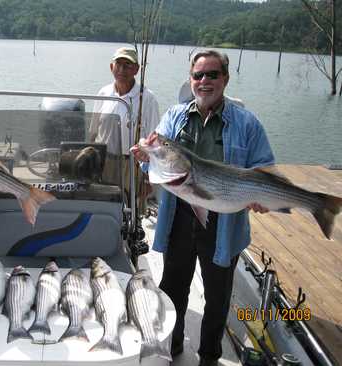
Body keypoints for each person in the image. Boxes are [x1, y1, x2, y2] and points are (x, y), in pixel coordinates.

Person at [131, 50, 274, 366]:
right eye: (198, 75)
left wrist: (260, 196)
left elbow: (265, 167)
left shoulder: (247, 123)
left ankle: (209, 356)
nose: (204, 81)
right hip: (179, 217)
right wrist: (146, 159)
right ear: (190, 80)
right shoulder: (174, 116)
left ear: (225, 78)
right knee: (173, 289)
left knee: (217, 297)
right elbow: (158, 165)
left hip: (225, 223)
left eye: (212, 74)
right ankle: (172, 346)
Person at [90, 46, 160, 203]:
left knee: (131, 210)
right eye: (118, 64)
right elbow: (93, 133)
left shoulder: (148, 98)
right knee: (104, 206)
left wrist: (148, 179)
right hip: (104, 162)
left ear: (136, 69)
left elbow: (155, 142)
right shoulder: (103, 93)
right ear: (111, 67)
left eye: (128, 65)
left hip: (134, 165)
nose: (122, 69)